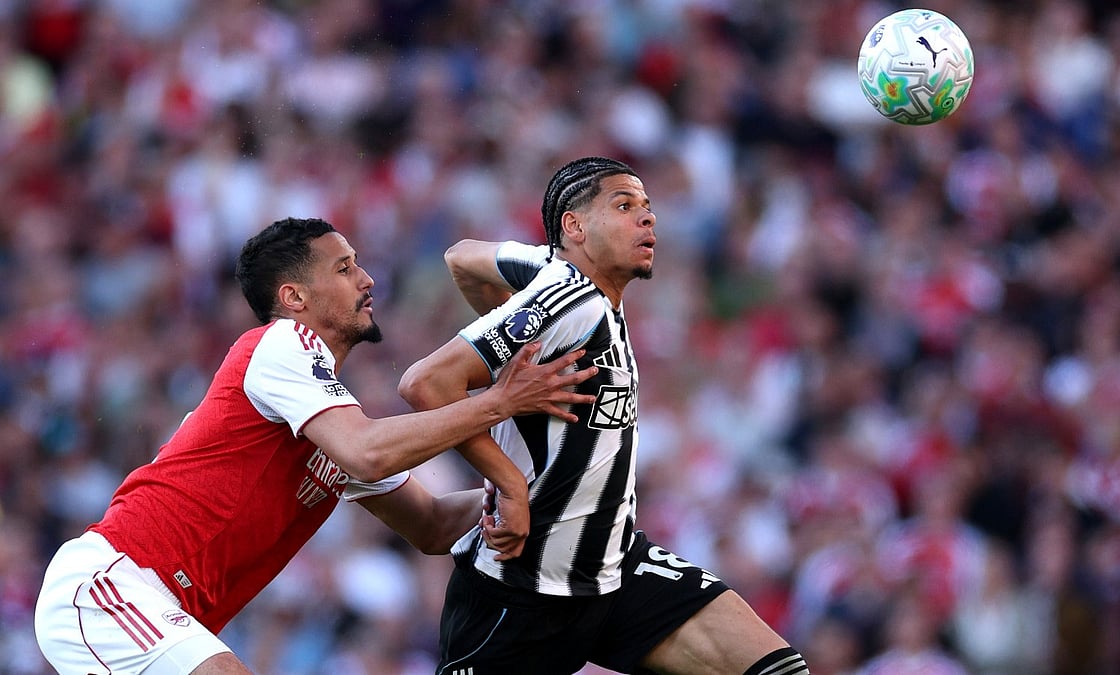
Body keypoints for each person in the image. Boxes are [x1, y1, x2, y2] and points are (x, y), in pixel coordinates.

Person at [33, 217, 598, 674]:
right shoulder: (281, 343)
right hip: (110, 587)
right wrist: (499, 401)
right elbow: (368, 452)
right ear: (293, 297)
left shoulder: (328, 417)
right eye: (346, 268)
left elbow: (431, 524)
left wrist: (559, 484)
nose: (368, 279)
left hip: (160, 609)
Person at [399, 157, 810, 674]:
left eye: (647, 208)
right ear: (575, 226)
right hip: (523, 592)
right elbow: (424, 383)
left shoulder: (574, 290)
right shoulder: (568, 300)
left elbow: (462, 257)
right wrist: (508, 484)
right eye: (624, 205)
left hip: (614, 568)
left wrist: (537, 292)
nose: (647, 219)